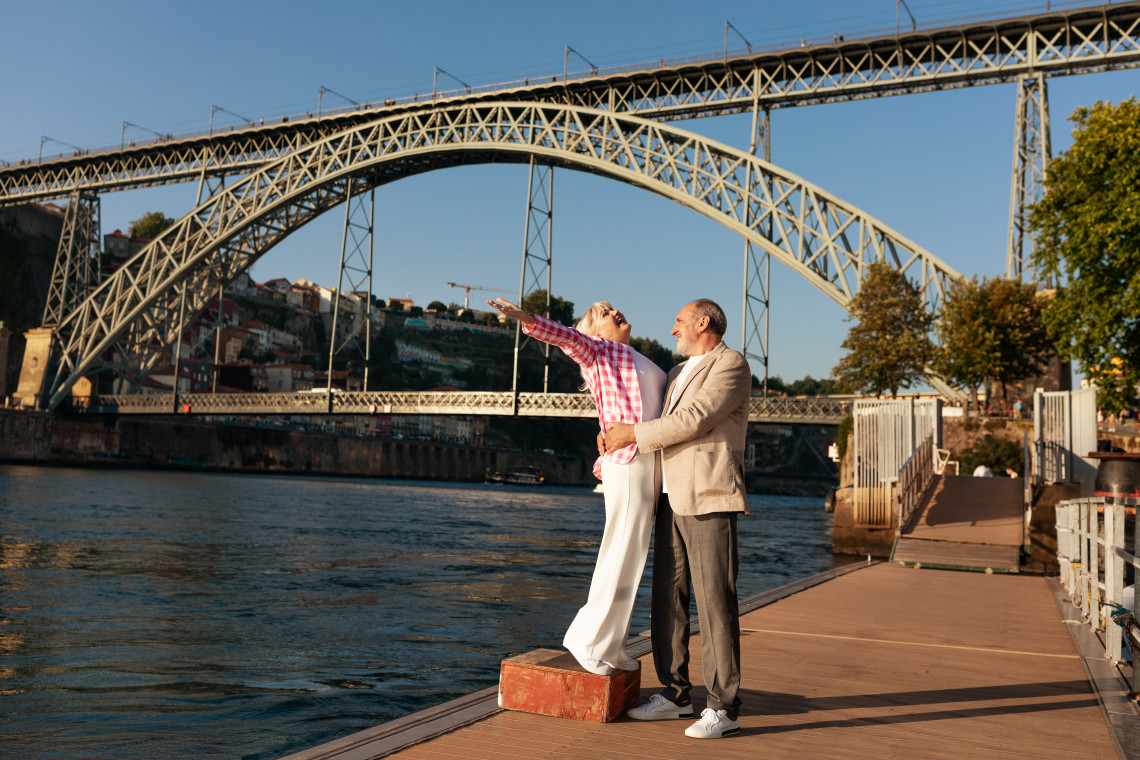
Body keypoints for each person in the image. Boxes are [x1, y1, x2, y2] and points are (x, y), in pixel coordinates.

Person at [487, 297, 666, 676]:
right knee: (619, 552)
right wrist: (529, 320)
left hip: (650, 465)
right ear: (594, 331)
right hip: (629, 461)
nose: (615, 312)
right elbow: (566, 337)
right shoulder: (599, 352)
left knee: (631, 559)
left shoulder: (639, 358)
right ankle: (588, 642)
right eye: (603, 313)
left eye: (614, 306)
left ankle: (612, 645)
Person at [603, 299, 751, 740]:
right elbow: (647, 413)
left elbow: (693, 420)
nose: (673, 329)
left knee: (715, 604)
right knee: (667, 600)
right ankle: (675, 695)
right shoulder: (675, 373)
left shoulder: (731, 366)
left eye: (680, 321)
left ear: (703, 322)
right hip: (668, 496)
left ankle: (724, 708)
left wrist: (630, 435)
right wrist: (611, 430)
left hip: (708, 496)